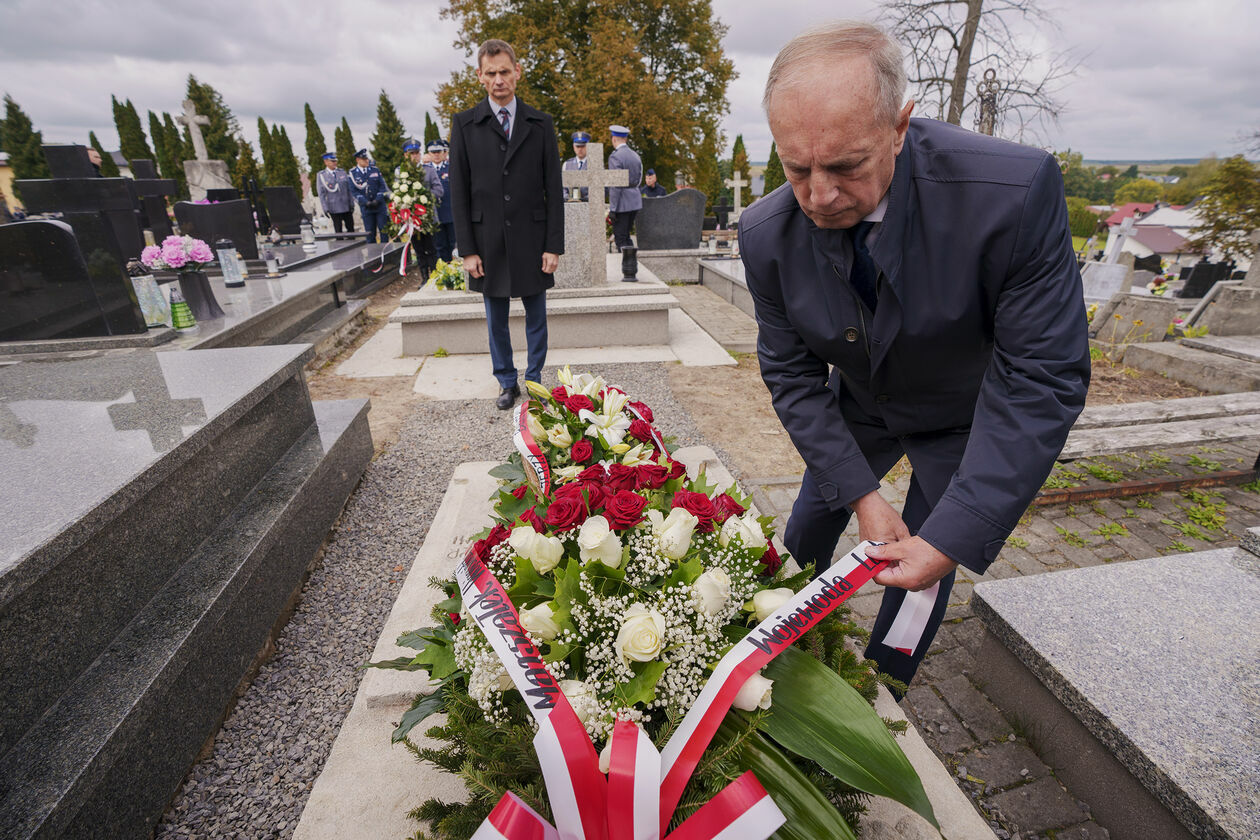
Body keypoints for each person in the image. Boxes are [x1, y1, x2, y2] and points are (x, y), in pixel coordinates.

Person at [739, 21, 1090, 692]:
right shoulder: (766, 235)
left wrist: (954, 534)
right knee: (811, 522)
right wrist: (864, 493)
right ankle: (774, 653)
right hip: (864, 407)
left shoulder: (1012, 197)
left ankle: (882, 686)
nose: (818, 196)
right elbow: (791, 376)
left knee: (925, 559)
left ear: (899, 127)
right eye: (796, 169)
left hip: (963, 411)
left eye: (845, 167)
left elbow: (1040, 379)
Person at [449, 38, 563, 411]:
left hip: (532, 237)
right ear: (480, 76)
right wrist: (467, 249)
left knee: (536, 316)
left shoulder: (541, 124)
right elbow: (459, 192)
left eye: (505, 71)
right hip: (487, 239)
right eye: (491, 73)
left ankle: (534, 381)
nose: (499, 79)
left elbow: (553, 189)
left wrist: (553, 245)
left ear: (517, 72)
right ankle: (505, 381)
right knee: (495, 316)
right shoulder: (465, 125)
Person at [400, 138, 445, 278]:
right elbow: (397, 193)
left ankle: (435, 277)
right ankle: (424, 277)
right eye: (411, 153)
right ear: (405, 155)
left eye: (417, 153)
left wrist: (423, 197)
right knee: (418, 250)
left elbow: (439, 190)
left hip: (428, 217)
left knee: (432, 248)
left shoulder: (429, 170)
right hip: (412, 219)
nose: (415, 156)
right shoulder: (401, 172)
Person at [607, 124, 642, 252]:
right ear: (625, 139)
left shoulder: (615, 156)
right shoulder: (635, 155)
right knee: (627, 236)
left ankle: (627, 269)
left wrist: (613, 208)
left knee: (620, 238)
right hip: (634, 200)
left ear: (614, 139)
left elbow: (616, 185)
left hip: (622, 202)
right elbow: (639, 179)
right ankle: (632, 266)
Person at [348, 148, 391, 244]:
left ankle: (386, 254)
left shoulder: (375, 170)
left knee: (384, 232)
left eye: (367, 158)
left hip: (379, 206)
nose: (367, 160)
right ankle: (373, 255)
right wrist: (365, 202)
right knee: (370, 234)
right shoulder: (353, 174)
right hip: (366, 207)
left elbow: (382, 186)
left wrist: (377, 199)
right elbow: (354, 191)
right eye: (364, 159)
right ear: (358, 160)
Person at [430, 140, 456, 261]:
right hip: (435, 214)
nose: (436, 155)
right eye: (433, 152)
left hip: (450, 212)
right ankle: (443, 270)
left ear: (443, 152)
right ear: (429, 154)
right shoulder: (425, 170)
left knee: (453, 244)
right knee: (439, 245)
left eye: (438, 152)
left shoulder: (451, 168)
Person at [316, 152, 355, 233]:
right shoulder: (321, 175)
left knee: (351, 229)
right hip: (334, 207)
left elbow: (349, 189)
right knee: (338, 230)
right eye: (332, 161)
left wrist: (352, 203)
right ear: (326, 162)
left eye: (335, 161)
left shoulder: (342, 172)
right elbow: (321, 194)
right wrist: (325, 208)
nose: (335, 163)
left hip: (346, 206)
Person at [562, 131, 590, 201]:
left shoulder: (595, 165)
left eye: (583, 146)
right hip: (570, 205)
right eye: (577, 146)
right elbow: (562, 187)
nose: (580, 149)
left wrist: (586, 199)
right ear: (573, 147)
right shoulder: (567, 165)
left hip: (589, 205)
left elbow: (602, 189)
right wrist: (567, 197)